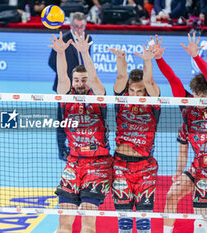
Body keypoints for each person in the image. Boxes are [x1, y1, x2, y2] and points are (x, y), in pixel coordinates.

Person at [50, 31, 112, 233]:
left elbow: (94, 80)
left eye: (83, 80)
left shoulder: (99, 96)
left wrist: (85, 53)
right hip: (74, 163)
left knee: (87, 225)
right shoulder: (67, 97)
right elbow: (62, 80)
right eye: (76, 80)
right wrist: (60, 54)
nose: (80, 84)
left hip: (98, 164)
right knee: (64, 224)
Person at [149, 33, 207, 233]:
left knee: (201, 209)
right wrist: (158, 59)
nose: (199, 99)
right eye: (197, 95)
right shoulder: (187, 108)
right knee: (171, 195)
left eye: (203, 96)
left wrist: (196, 57)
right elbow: (172, 79)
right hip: (198, 165)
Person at [108, 44, 160, 233]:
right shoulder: (121, 100)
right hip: (121, 166)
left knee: (145, 222)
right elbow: (121, 77)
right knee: (125, 222)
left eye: (140, 92)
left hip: (145, 167)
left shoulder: (153, 103)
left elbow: (151, 82)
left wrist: (148, 60)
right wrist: (120, 58)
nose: (136, 95)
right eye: (132, 91)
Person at [48, 12, 92, 161]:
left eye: (82, 26)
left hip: (82, 87)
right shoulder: (63, 39)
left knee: (81, 117)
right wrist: (66, 78)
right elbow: (51, 62)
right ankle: (62, 151)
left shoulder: (88, 39)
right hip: (65, 88)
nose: (80, 29)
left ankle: (79, 147)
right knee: (62, 120)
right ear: (71, 25)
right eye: (76, 26)